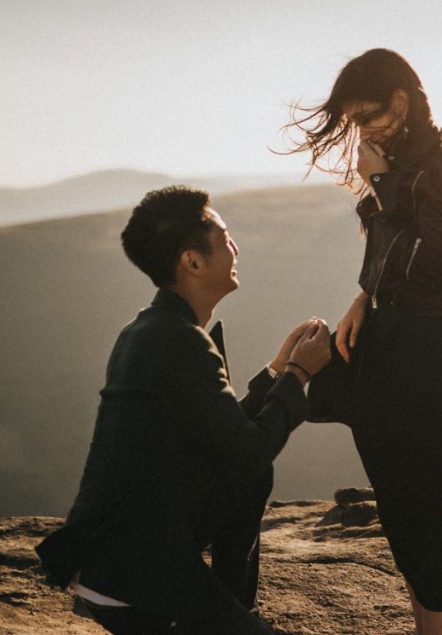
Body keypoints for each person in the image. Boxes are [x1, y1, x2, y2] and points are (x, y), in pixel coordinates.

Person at [35, 185, 331, 634]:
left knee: (250, 473)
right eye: (225, 236)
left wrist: (275, 372)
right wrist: (298, 376)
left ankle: (230, 607)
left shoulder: (149, 330)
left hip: (120, 562)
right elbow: (248, 451)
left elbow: (222, 431)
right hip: (139, 578)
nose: (235, 247)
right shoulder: (179, 341)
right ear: (191, 262)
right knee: (254, 468)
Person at [286, 48, 442, 635]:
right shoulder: (397, 164)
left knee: (421, 501)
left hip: (432, 347)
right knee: (395, 501)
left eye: (369, 115)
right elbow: (387, 254)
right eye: (354, 120)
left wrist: (379, 180)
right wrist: (361, 299)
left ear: (402, 101)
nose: (362, 130)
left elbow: (439, 261)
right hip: (384, 333)